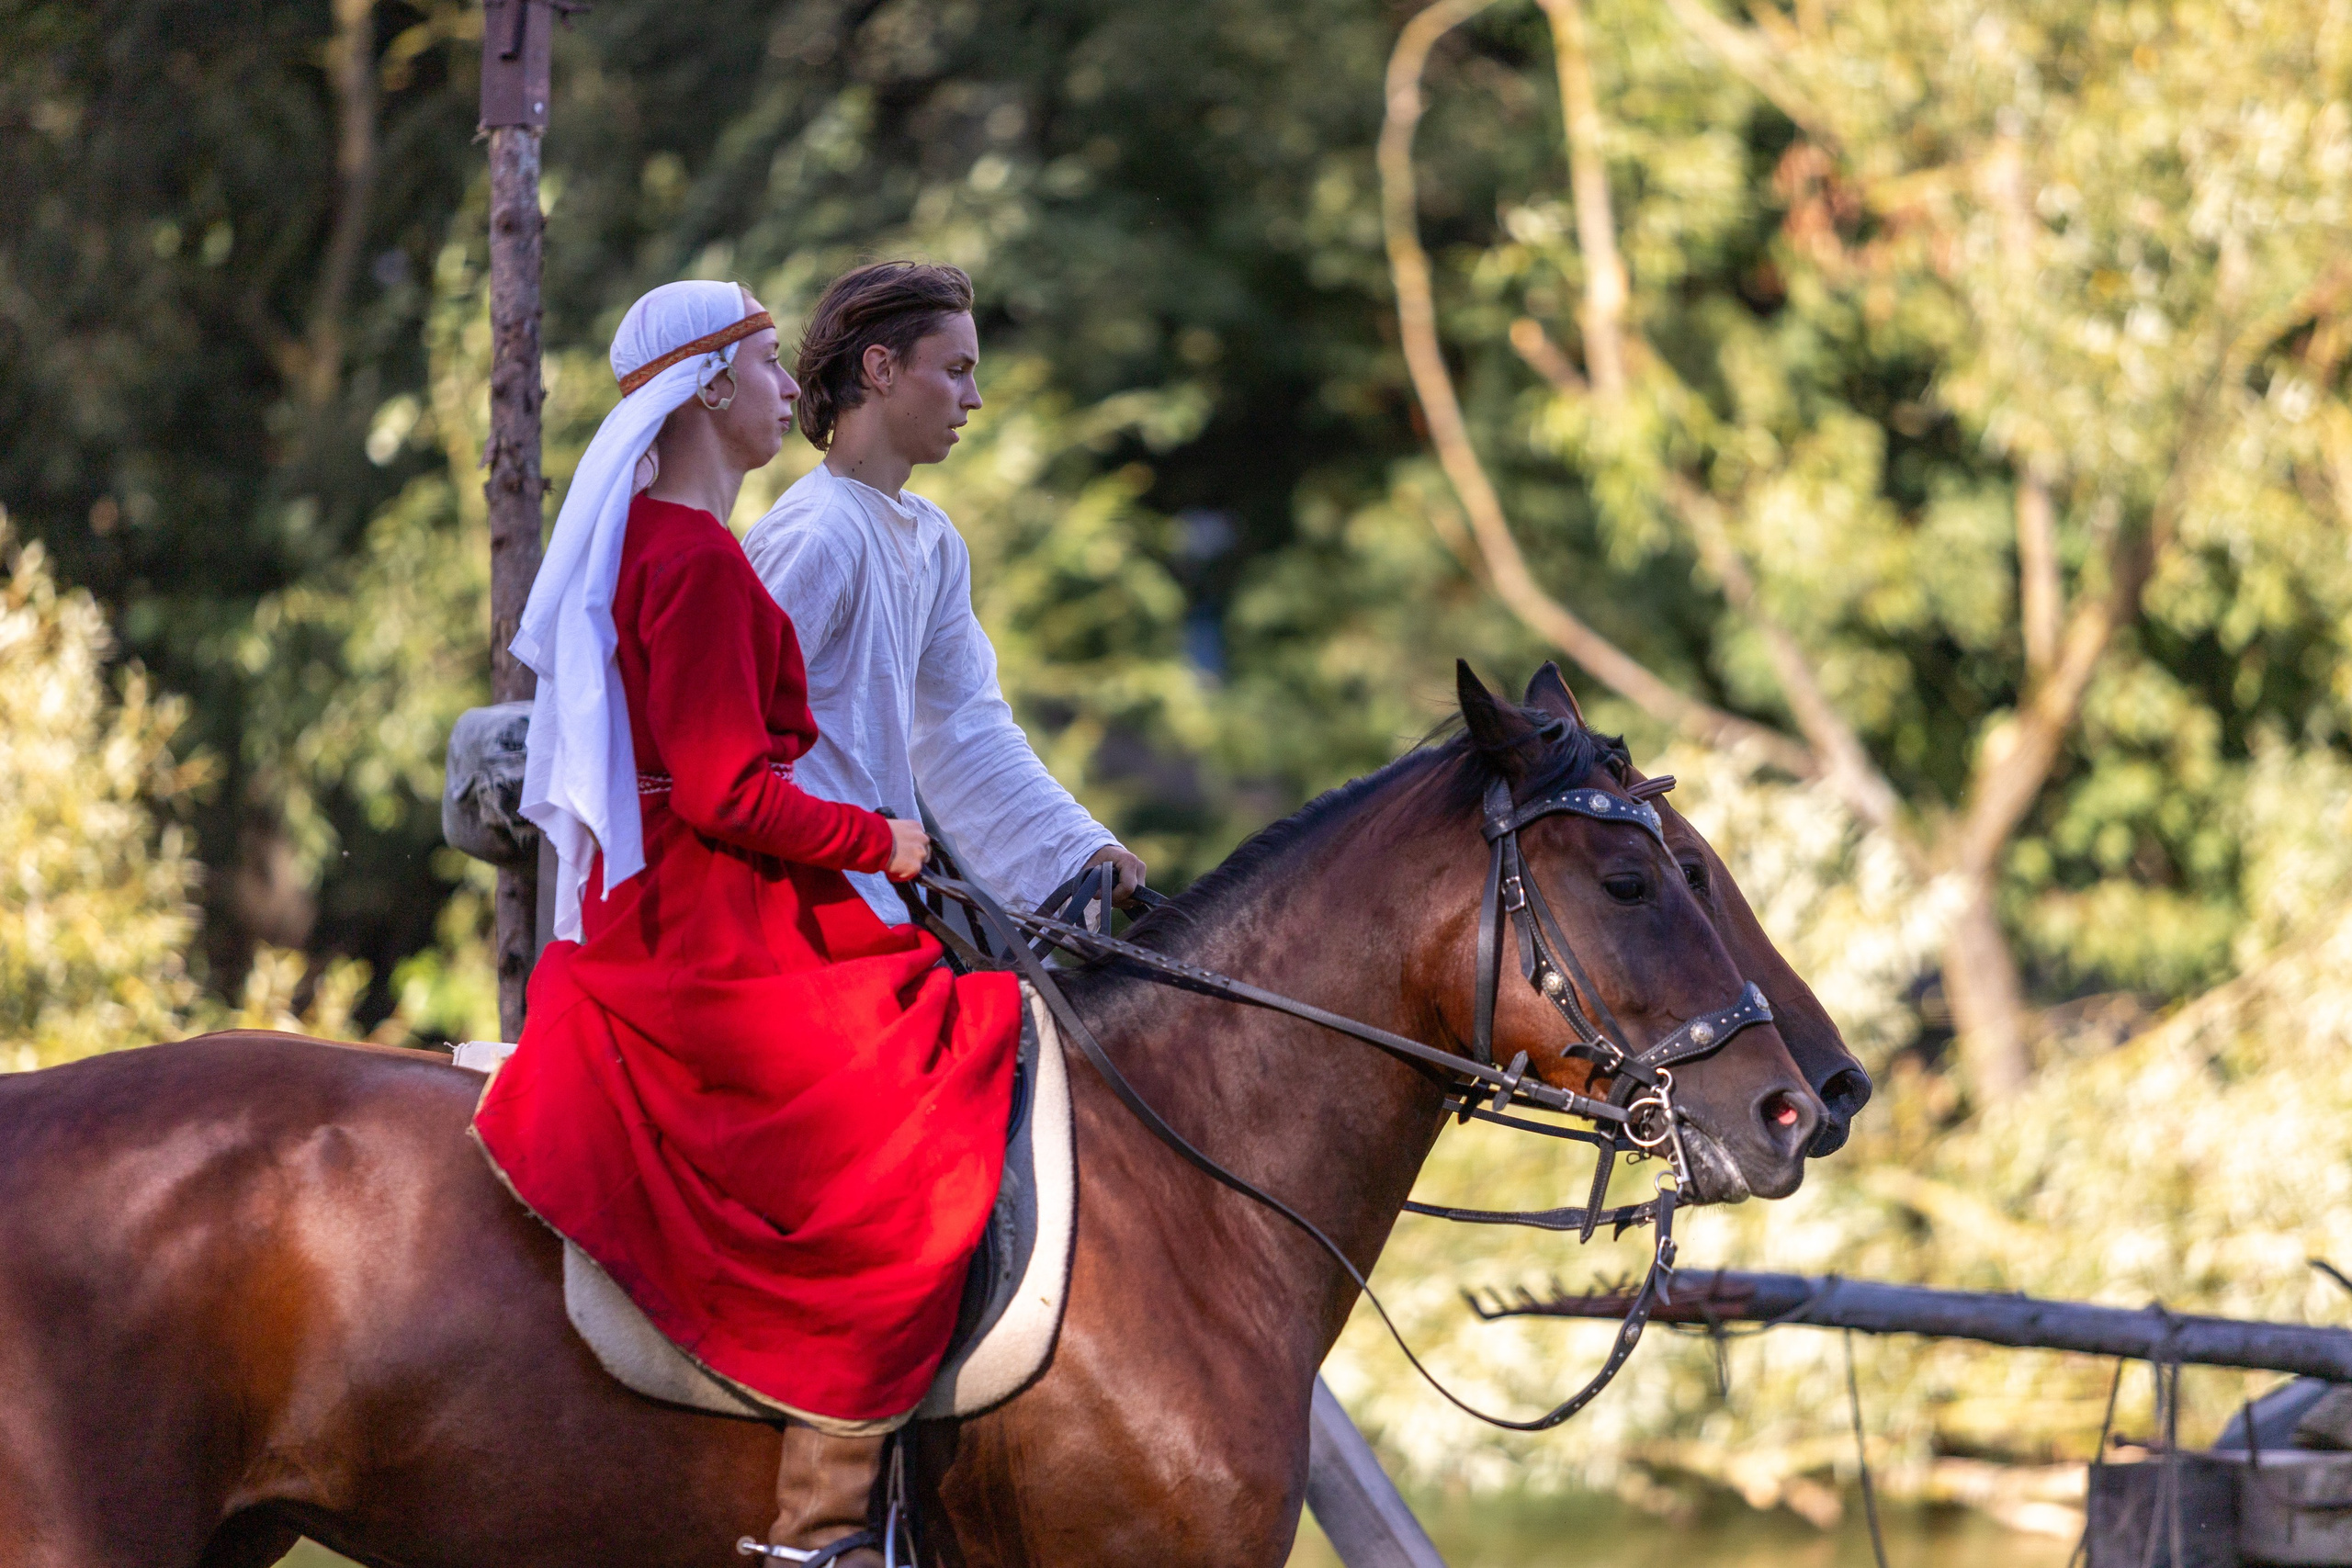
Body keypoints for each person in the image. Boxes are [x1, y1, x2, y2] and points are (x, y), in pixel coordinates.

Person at [470, 279, 1021, 1568]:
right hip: (708, 913)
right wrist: (872, 838)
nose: (792, 386)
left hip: (687, 887)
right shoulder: (705, 559)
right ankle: (824, 1522)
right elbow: (724, 788)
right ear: (710, 388)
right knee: (919, 1088)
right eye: (773, 367)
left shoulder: (667, 547)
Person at [742, 261, 1147, 926]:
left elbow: (963, 728)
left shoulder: (932, 539)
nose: (975, 397)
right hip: (804, 912)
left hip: (884, 900)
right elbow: (733, 744)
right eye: (956, 370)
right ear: (882, 368)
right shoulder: (817, 534)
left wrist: (1079, 850)